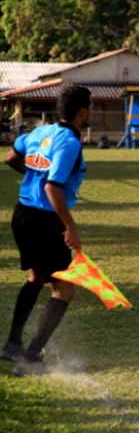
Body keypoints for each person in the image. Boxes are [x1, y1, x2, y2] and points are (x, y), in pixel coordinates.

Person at [2, 85, 91, 376]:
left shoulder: (41, 132)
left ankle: (13, 344)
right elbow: (53, 188)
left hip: (22, 215)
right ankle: (29, 357)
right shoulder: (69, 142)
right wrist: (71, 227)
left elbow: (10, 158)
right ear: (82, 112)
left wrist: (32, 177)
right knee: (65, 290)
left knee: (37, 276)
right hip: (44, 219)